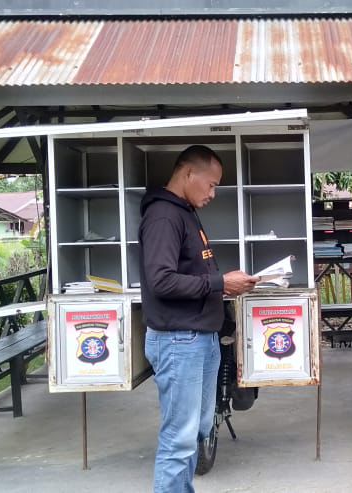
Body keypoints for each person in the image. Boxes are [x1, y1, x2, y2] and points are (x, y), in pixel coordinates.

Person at [139, 145, 258, 492]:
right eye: (211, 184)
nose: (213, 193)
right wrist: (221, 282)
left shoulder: (185, 212)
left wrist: (225, 287)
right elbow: (160, 280)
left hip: (199, 338)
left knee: (198, 430)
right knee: (179, 438)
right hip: (179, 340)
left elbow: (191, 273)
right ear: (189, 173)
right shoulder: (164, 216)